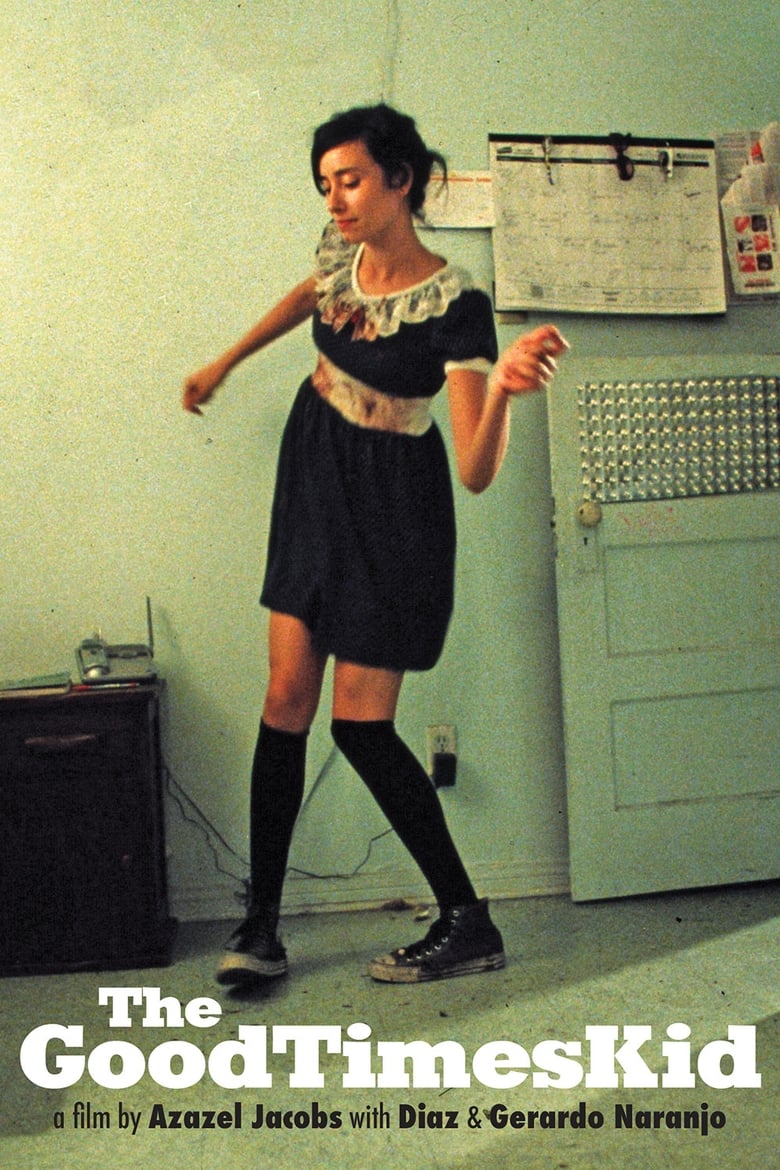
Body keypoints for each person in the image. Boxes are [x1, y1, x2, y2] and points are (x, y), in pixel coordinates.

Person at [182, 103, 567, 987]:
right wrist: (225, 361)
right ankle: (261, 925)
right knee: (285, 698)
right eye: (326, 183)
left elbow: (474, 469)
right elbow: (309, 298)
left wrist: (503, 389)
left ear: (402, 180)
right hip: (314, 475)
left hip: (395, 509)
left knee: (360, 726)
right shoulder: (341, 254)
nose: (336, 199)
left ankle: (468, 920)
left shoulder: (457, 302)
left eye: (350, 180)